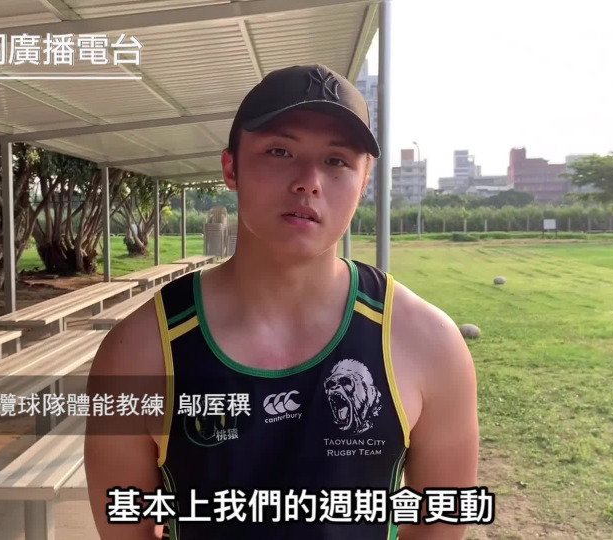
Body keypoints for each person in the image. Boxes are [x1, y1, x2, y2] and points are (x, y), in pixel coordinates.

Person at [85, 63, 479, 540]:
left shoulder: (429, 344)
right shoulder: (139, 351)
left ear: (365, 180)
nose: (309, 181)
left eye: (337, 161)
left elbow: (440, 525)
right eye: (279, 151)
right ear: (231, 168)